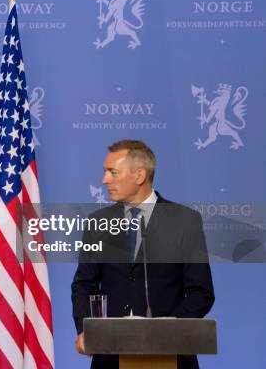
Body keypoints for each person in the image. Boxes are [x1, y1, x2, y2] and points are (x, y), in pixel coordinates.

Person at [71, 140, 215, 369]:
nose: (104, 180)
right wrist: (85, 330)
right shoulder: (97, 223)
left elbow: (201, 292)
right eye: (105, 171)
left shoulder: (185, 221)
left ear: (139, 176)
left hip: (171, 357)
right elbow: (83, 285)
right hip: (110, 358)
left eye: (112, 172)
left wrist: (165, 332)